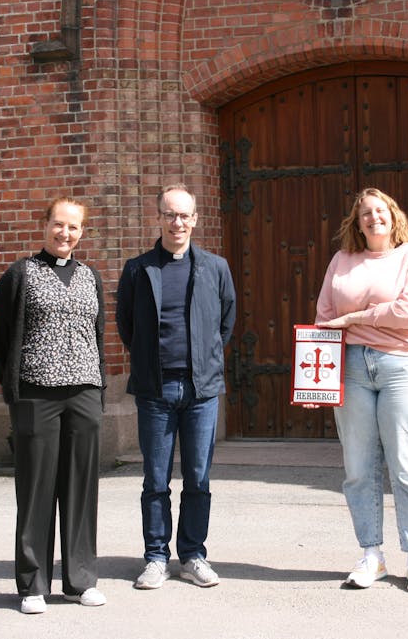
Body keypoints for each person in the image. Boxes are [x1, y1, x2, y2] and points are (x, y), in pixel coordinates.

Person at [311, 186, 408, 592]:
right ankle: (372, 556)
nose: (373, 218)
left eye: (380, 211)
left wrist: (357, 318)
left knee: (406, 462)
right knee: (359, 468)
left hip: (404, 365)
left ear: (393, 216)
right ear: (357, 222)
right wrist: (315, 380)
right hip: (351, 367)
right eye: (365, 213)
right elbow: (325, 319)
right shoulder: (342, 260)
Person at [0, 197, 107, 614]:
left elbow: (97, 335)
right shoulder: (20, 275)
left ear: (82, 233)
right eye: (58, 224)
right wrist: (15, 390)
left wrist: (98, 388)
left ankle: (80, 580)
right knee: (37, 490)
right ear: (45, 225)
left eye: (74, 227)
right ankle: (32, 584)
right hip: (37, 394)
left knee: (80, 490)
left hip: (84, 394)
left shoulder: (91, 276)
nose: (65, 233)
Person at [115, 183, 236, 590]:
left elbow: (225, 322)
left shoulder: (215, 267)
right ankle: (155, 557)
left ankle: (193, 555)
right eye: (170, 214)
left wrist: (204, 359)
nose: (177, 222)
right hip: (156, 390)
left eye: (185, 215)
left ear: (195, 219)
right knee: (155, 479)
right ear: (159, 218)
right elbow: (127, 326)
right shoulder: (138, 269)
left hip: (200, 390)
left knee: (198, 478)